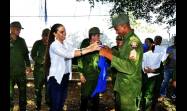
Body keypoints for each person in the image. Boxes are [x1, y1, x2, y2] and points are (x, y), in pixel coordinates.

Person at [44, 24, 100, 111]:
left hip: (65, 77)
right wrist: (90, 49)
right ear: (55, 34)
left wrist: (90, 46)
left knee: (61, 103)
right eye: (61, 32)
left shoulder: (65, 43)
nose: (64, 34)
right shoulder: (54, 45)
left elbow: (74, 50)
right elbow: (68, 54)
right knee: (56, 105)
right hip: (56, 78)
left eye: (65, 31)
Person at [99, 13, 143, 111]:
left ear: (123, 26)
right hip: (122, 87)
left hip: (129, 90)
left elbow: (130, 67)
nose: (116, 32)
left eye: (116, 29)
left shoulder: (133, 42)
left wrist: (107, 55)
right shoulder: (126, 40)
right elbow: (123, 58)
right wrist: (111, 51)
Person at [78, 27, 102, 111]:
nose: (99, 37)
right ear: (92, 36)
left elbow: (101, 60)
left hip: (96, 76)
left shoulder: (99, 44)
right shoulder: (85, 43)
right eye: (97, 35)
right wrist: (81, 74)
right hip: (86, 76)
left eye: (99, 35)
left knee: (96, 99)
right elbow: (80, 59)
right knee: (84, 98)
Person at [10, 21, 32, 111]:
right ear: (11, 28)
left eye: (20, 29)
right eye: (17, 28)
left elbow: (26, 55)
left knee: (23, 93)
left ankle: (23, 108)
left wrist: (28, 66)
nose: (19, 30)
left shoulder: (22, 41)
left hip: (20, 73)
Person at [141, 38, 163, 111]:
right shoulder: (143, 53)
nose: (146, 44)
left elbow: (161, 66)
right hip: (145, 77)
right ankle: (143, 107)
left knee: (153, 94)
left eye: (147, 42)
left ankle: (152, 107)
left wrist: (154, 70)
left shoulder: (159, 52)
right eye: (145, 42)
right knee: (144, 94)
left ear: (152, 44)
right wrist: (144, 69)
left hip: (156, 78)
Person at [30, 28, 50, 110]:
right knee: (38, 89)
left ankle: (48, 104)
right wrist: (41, 60)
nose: (46, 39)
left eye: (48, 37)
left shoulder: (52, 44)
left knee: (49, 90)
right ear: (42, 36)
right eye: (45, 36)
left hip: (49, 71)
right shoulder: (37, 43)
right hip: (38, 72)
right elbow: (32, 54)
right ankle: (38, 105)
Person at [159, 36, 176, 101]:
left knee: (175, 83)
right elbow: (166, 58)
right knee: (165, 81)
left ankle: (174, 95)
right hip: (168, 68)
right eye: (175, 40)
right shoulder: (169, 48)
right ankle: (162, 94)